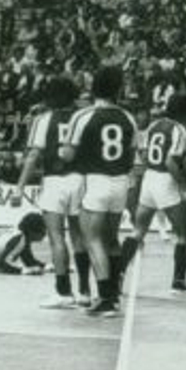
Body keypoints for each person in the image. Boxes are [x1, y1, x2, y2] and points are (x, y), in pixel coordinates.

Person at [61, 67, 138, 318]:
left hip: (96, 181)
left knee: (92, 240)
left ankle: (105, 298)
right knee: (112, 239)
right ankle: (114, 294)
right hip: (121, 183)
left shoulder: (83, 116)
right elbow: (133, 154)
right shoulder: (128, 117)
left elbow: (68, 154)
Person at [13, 76, 91, 309]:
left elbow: (34, 156)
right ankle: (85, 291)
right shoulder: (83, 118)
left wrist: (20, 186)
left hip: (55, 181)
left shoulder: (44, 119)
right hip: (80, 179)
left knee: (57, 238)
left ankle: (63, 291)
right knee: (80, 238)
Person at [121, 93, 186, 293]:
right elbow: (170, 162)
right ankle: (179, 281)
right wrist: (184, 187)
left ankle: (117, 274)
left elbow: (143, 154)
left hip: (149, 178)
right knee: (184, 234)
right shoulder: (179, 129)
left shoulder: (154, 126)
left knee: (138, 231)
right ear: (184, 112)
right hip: (166, 180)